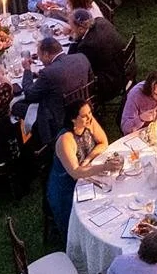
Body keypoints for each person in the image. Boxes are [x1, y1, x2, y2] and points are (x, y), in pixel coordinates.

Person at [44, 99, 109, 233]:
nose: (89, 117)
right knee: (85, 224)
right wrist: (104, 167)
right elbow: (75, 172)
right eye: (84, 115)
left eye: (90, 113)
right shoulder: (66, 139)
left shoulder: (89, 122)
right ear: (73, 119)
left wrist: (88, 159)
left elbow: (103, 142)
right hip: (66, 189)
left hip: (86, 176)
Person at [19, 35, 93, 147]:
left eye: (40, 57)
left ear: (46, 55)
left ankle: (27, 142)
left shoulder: (48, 73)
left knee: (16, 106)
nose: (41, 61)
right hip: (83, 105)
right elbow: (90, 80)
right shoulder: (81, 58)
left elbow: (30, 94)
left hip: (59, 118)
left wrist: (27, 71)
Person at [69, 6, 127, 102]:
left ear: (80, 29)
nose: (71, 29)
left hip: (110, 81)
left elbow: (76, 65)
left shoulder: (87, 45)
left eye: (72, 27)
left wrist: (74, 39)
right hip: (121, 64)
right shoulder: (100, 21)